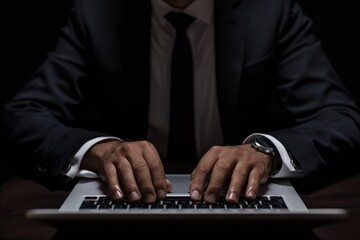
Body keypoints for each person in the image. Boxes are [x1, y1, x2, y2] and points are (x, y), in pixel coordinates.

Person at [2, 0, 360, 205]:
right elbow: (23, 114)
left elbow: (340, 117)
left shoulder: (271, 10)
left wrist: (266, 150)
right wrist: (99, 149)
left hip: (238, 204)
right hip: (128, 200)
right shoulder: (98, 13)